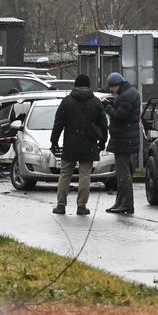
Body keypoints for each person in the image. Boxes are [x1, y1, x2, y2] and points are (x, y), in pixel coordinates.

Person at [49, 74, 108, 216]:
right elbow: (103, 124)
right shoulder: (96, 103)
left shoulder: (67, 102)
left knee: (65, 174)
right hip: (89, 143)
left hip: (70, 143)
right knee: (85, 175)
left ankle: (61, 205)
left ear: (75, 85)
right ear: (89, 86)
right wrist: (103, 141)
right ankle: (81, 206)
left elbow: (58, 124)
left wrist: (54, 141)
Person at [103, 72, 141, 215]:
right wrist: (112, 103)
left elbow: (120, 115)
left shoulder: (126, 96)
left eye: (112, 87)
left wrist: (108, 107)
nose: (111, 90)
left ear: (117, 85)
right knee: (121, 174)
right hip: (125, 138)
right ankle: (120, 203)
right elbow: (123, 110)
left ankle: (126, 204)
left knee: (124, 174)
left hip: (124, 140)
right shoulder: (129, 93)